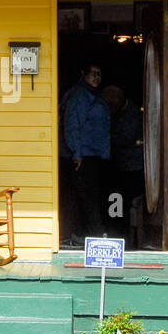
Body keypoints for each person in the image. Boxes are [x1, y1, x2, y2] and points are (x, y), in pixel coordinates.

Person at [61, 62, 111, 239]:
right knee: (85, 196)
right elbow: (73, 125)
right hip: (83, 155)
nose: (97, 77)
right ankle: (91, 235)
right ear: (84, 74)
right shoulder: (80, 96)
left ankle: (85, 234)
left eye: (99, 74)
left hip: (93, 153)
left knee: (89, 195)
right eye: (93, 73)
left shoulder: (92, 94)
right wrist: (77, 152)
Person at [102, 85, 145, 244]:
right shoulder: (121, 111)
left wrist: (104, 138)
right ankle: (118, 234)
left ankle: (122, 238)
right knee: (117, 200)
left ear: (118, 100)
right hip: (122, 164)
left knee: (121, 201)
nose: (109, 107)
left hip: (131, 166)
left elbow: (126, 138)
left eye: (110, 103)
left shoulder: (132, 113)